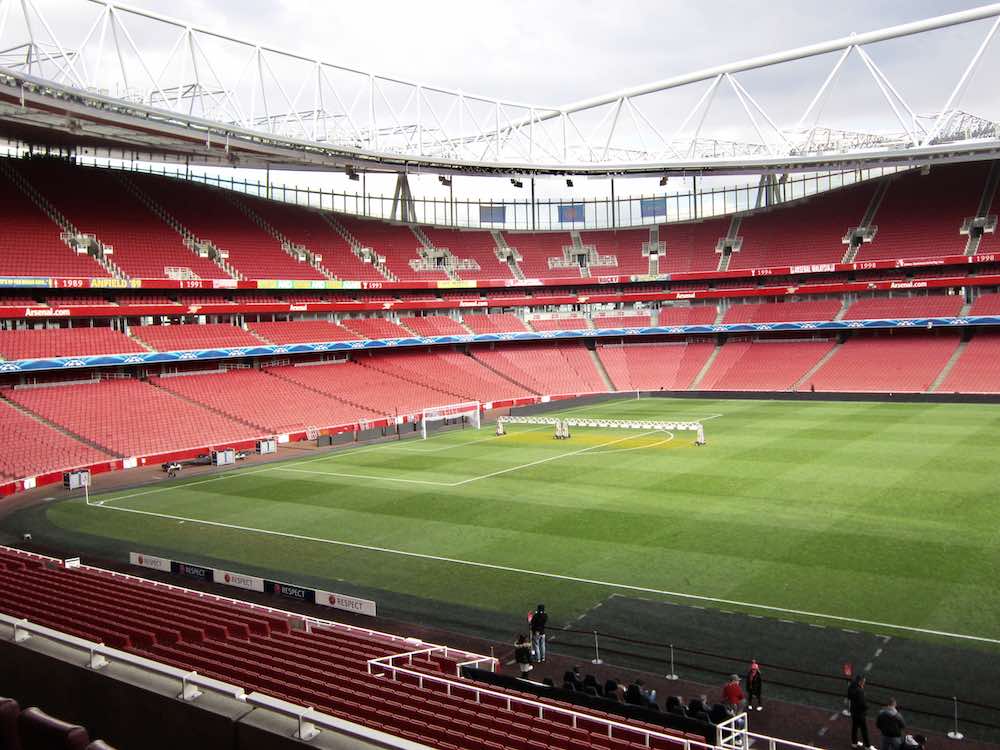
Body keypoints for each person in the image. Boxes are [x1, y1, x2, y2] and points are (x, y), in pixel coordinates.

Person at [848, 675, 876, 750]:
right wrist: (867, 707)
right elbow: (862, 703)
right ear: (860, 682)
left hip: (853, 712)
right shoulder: (860, 691)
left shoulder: (851, 687)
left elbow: (849, 697)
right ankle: (867, 746)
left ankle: (854, 743)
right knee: (864, 730)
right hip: (860, 713)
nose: (864, 683)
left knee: (854, 728)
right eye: (863, 682)